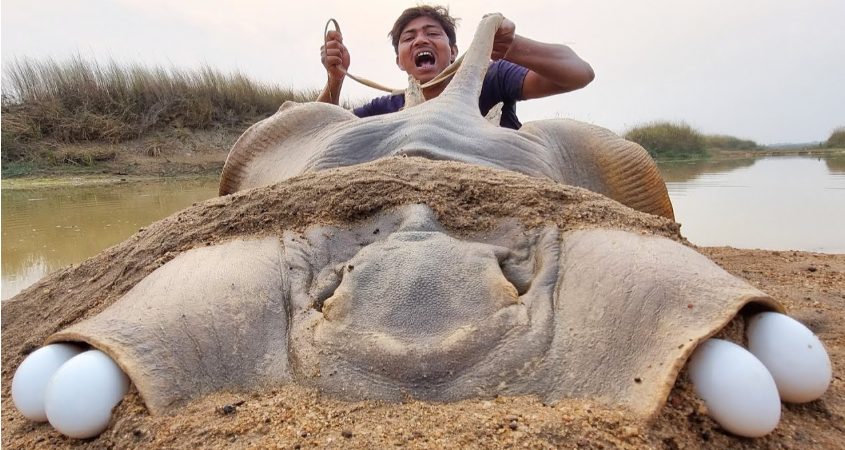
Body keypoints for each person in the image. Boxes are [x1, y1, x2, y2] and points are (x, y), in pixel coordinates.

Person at [318, 5, 594, 129]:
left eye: (433, 33)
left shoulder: (491, 78)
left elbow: (579, 73)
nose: (421, 40)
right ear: (399, 61)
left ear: (454, 52)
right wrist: (335, 79)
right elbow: (320, 130)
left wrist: (511, 47)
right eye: (409, 38)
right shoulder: (389, 108)